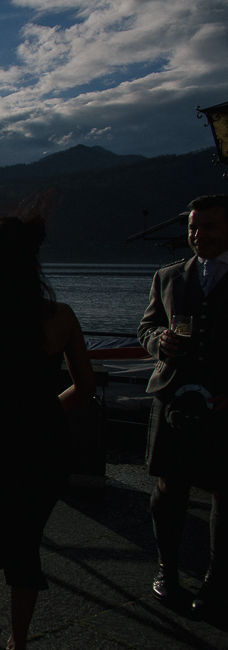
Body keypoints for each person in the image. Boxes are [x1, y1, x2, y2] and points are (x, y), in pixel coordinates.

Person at [0, 215, 94, 650]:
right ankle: (20, 639)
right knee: (26, 540)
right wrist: (45, 410)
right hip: (48, 443)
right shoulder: (63, 317)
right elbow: (86, 388)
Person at [138, 193, 228, 616]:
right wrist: (160, 341)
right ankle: (167, 570)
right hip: (174, 396)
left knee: (223, 492)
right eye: (193, 226)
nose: (197, 234)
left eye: (208, 226)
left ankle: (217, 579)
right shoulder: (168, 276)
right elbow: (147, 327)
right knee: (167, 490)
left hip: (225, 404)